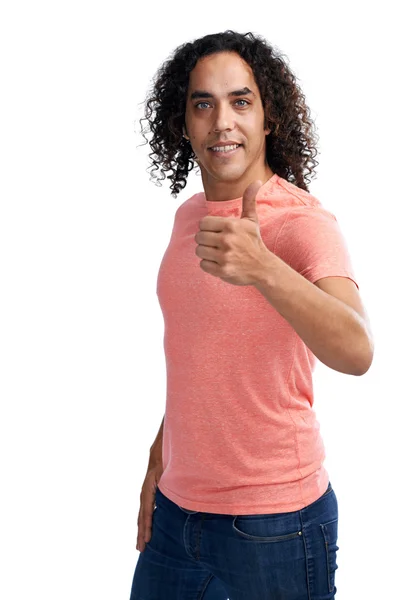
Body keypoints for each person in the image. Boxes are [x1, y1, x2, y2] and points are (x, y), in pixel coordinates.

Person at [130, 30, 374, 600]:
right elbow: (202, 359)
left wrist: (265, 268)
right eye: (203, 104)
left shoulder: (302, 224)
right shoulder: (189, 217)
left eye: (241, 101)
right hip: (177, 513)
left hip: (275, 526)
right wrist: (158, 457)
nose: (222, 122)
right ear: (183, 123)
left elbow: (358, 350)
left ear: (269, 119)